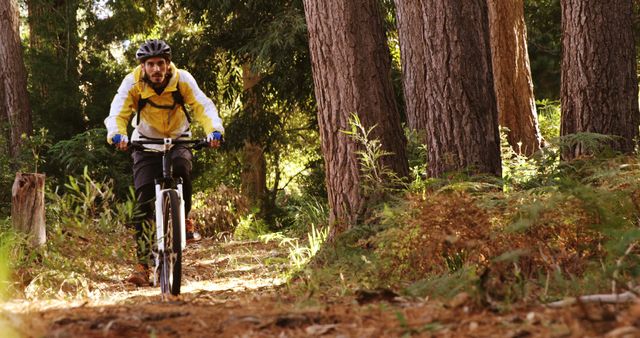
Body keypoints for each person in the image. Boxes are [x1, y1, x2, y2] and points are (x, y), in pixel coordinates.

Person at [104, 39, 224, 286]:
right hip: (145, 143)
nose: (156, 69)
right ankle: (142, 266)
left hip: (179, 138)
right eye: (150, 64)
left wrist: (214, 130)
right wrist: (117, 134)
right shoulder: (133, 82)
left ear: (168, 64)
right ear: (143, 66)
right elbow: (118, 111)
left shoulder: (183, 80)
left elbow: (203, 107)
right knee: (143, 200)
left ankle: (185, 218)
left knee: (182, 169)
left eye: (160, 63)